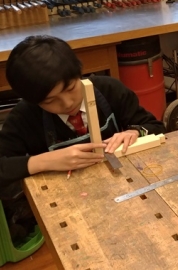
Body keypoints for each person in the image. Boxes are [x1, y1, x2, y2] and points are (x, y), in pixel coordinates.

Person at [0, 35, 166, 239]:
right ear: (34, 101)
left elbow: (157, 128)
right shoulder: (24, 117)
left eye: (70, 88)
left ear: (79, 73)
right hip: (68, 208)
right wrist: (44, 161)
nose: (67, 103)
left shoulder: (110, 90)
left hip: (123, 191)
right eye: (50, 101)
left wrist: (134, 132)